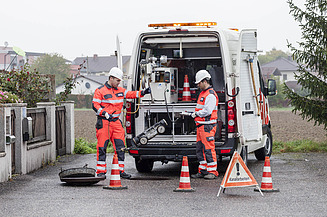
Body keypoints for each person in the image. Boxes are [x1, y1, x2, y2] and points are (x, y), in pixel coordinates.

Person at [92, 67, 151, 179]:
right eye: (118, 80)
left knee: (120, 148)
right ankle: (101, 172)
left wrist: (144, 92)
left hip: (116, 122)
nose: (119, 83)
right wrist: (104, 113)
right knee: (101, 147)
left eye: (120, 81)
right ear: (111, 78)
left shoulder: (120, 91)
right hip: (104, 122)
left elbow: (131, 94)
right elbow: (95, 106)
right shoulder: (100, 91)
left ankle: (120, 171)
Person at [190, 70, 219, 179]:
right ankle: (203, 170)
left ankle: (212, 172)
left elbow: (207, 111)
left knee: (208, 149)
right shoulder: (203, 93)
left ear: (205, 81)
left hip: (207, 126)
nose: (198, 85)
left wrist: (196, 114)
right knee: (200, 149)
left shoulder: (210, 95)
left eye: (199, 83)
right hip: (201, 126)